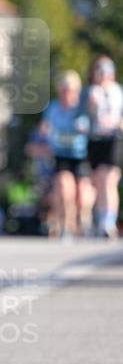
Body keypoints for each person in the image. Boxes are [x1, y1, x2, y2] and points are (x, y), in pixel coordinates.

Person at [39, 71, 93, 239]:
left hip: (81, 154)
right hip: (61, 154)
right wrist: (46, 132)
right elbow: (45, 127)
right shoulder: (53, 108)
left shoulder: (83, 108)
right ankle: (67, 224)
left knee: (82, 193)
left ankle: (84, 220)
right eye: (64, 90)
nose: (67, 93)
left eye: (70, 90)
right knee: (64, 187)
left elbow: (91, 127)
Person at [85, 56, 122, 238]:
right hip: (96, 139)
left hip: (114, 138)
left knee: (110, 179)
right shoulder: (92, 92)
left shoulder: (118, 92)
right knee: (99, 181)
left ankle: (109, 221)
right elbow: (85, 114)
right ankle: (101, 221)